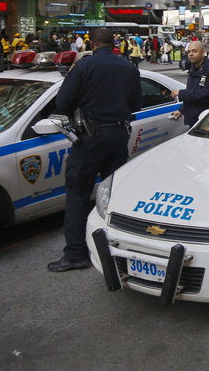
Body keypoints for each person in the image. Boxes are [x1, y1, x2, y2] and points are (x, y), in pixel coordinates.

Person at [48, 28, 141, 272]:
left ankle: (76, 254)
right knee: (116, 195)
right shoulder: (128, 67)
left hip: (89, 138)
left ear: (92, 42)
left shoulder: (84, 66)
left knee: (78, 194)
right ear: (114, 43)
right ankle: (121, 250)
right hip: (119, 136)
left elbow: (63, 103)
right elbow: (136, 104)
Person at [170, 41, 209, 126]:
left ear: (203, 52)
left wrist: (180, 93)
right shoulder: (193, 67)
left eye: (194, 51)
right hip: (194, 117)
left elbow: (206, 93)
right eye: (189, 51)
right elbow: (192, 92)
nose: (191, 54)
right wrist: (182, 110)